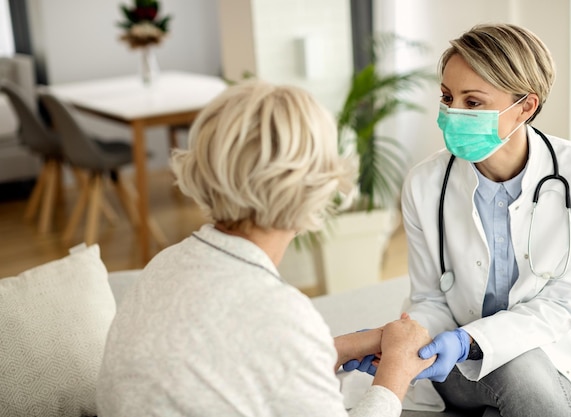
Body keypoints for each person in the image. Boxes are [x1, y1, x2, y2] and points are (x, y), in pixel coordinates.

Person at [96, 79, 435, 417]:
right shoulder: (279, 314)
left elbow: (232, 358)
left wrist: (336, 348)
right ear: (312, 191)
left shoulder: (165, 265)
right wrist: (397, 371)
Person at [397, 23, 571, 416]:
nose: (452, 114)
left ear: (526, 106)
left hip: (554, 345)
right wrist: (422, 338)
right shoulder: (424, 184)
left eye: (472, 103)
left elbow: (563, 302)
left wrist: (474, 339)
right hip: (452, 359)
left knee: (526, 372)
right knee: (522, 380)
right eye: (447, 98)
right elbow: (429, 299)